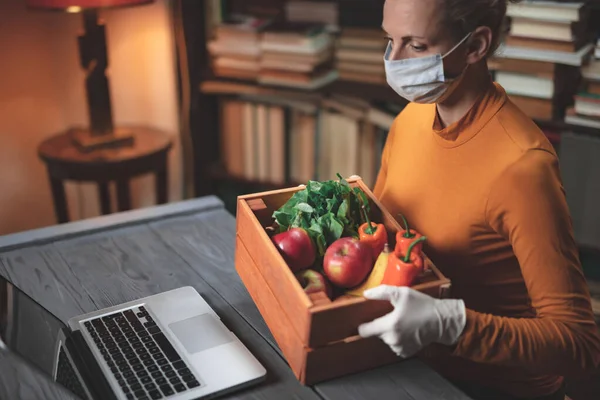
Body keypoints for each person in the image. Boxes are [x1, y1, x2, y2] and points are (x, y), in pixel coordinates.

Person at [357, 0, 600, 399]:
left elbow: (578, 344)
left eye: (416, 46)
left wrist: (451, 324)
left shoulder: (522, 168)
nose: (394, 61)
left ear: (475, 46)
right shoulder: (410, 119)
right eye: (390, 40)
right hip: (409, 371)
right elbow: (385, 241)